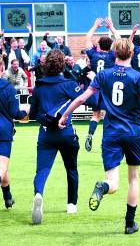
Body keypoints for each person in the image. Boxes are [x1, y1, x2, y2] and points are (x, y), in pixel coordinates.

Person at [58, 38, 140, 235]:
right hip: (132, 133)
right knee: (133, 179)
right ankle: (129, 224)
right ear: (132, 54)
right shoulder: (138, 77)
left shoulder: (103, 75)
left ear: (114, 54)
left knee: (113, 183)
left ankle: (102, 187)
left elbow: (81, 98)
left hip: (111, 134)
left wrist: (64, 115)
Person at [29, 49, 84, 225]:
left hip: (46, 134)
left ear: (46, 65)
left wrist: (46, 119)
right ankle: (72, 204)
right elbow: (84, 99)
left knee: (42, 170)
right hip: (66, 132)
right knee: (71, 169)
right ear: (62, 64)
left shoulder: (39, 86)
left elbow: (33, 115)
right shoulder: (69, 84)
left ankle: (38, 194)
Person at [0, 57, 28, 209]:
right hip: (3, 132)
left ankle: (8, 198)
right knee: (2, 167)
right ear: (2, 69)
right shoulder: (8, 88)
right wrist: (25, 112)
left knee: (3, 168)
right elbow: (14, 113)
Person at [84, 18, 116, 152]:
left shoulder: (93, 54)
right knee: (110, 115)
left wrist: (95, 26)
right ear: (110, 46)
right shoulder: (112, 56)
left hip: (95, 87)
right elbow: (119, 40)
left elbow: (87, 38)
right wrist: (111, 27)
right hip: (108, 88)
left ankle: (90, 135)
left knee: (95, 115)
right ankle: (106, 141)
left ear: (99, 45)